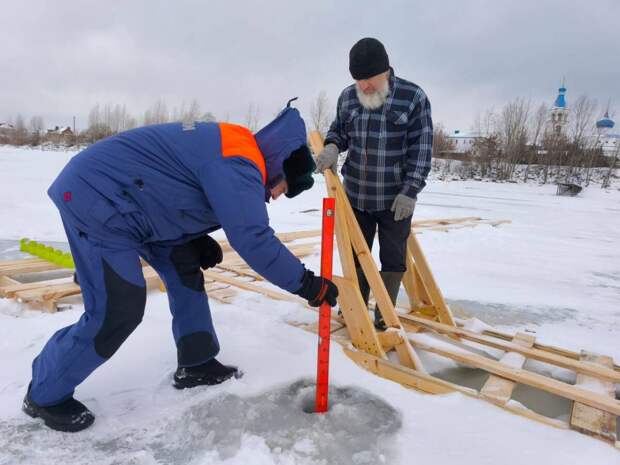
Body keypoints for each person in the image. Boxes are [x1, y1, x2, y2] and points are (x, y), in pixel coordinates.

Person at [23, 102, 338, 432]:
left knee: (184, 266)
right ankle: (45, 393)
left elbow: (179, 184)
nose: (275, 196)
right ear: (281, 169)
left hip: (137, 201)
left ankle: (196, 363)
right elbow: (253, 238)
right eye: (283, 189)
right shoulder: (241, 162)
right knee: (119, 308)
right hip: (98, 198)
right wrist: (307, 284)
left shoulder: (240, 148)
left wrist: (195, 238)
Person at [315, 37, 433, 330]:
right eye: (358, 80)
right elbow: (339, 131)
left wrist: (410, 191)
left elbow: (422, 149)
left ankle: (384, 314)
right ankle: (355, 306)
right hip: (356, 195)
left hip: (396, 200)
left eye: (369, 79)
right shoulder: (348, 97)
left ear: (385, 70)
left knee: (393, 258)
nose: (364, 86)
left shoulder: (413, 97)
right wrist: (331, 146)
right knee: (357, 253)